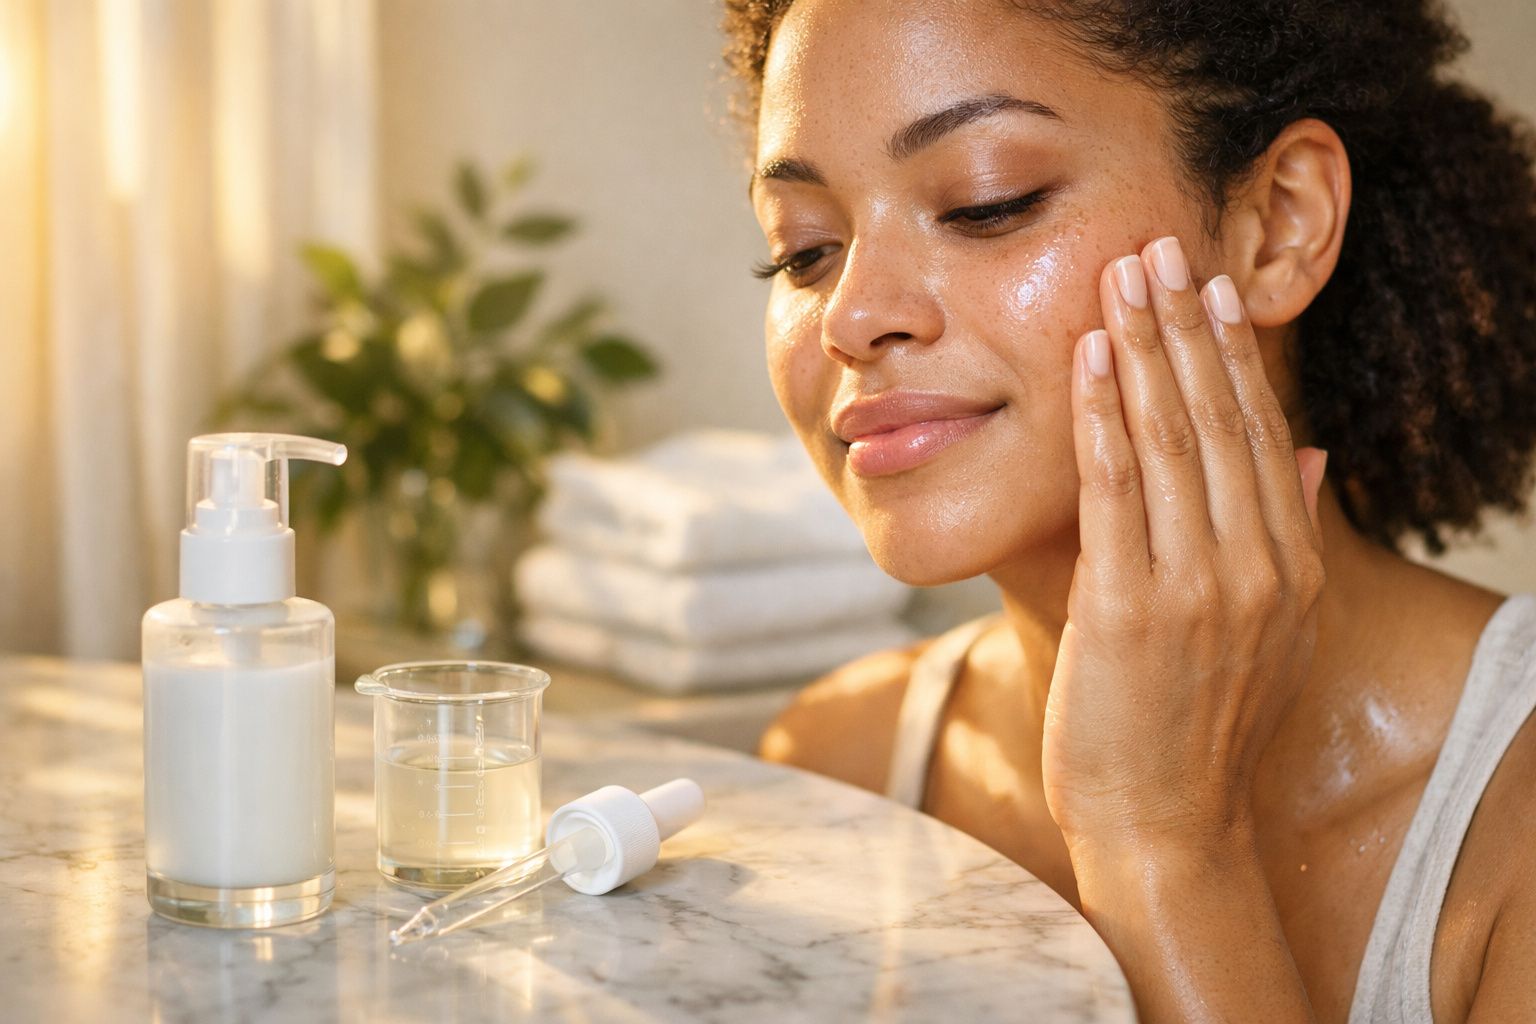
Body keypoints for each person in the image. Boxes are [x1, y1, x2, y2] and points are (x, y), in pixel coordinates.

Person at [720, 1, 1536, 1020]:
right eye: (803, 250)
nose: (849, 316)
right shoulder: (836, 770)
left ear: (1278, 225)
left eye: (986, 203)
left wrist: (1161, 839)